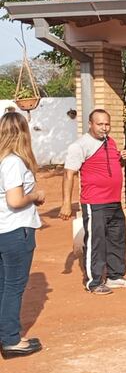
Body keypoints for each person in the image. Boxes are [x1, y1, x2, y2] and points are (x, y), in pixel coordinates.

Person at [60, 109, 126, 294]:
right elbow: (69, 173)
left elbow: (106, 166)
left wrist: (121, 160)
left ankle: (115, 276)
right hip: (94, 202)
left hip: (114, 201)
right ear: (90, 124)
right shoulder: (80, 145)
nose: (104, 128)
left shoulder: (109, 142)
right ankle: (93, 282)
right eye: (100, 124)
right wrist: (66, 203)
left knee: (116, 239)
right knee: (96, 241)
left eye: (107, 124)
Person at [0, 112, 44, 359]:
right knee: (14, 286)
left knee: (3, 285)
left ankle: (8, 333)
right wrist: (35, 196)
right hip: (16, 230)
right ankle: (11, 340)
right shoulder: (14, 162)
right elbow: (15, 200)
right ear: (23, 133)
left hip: (2, 229)